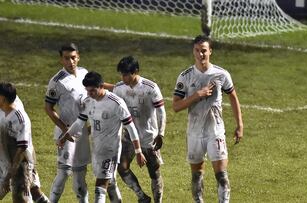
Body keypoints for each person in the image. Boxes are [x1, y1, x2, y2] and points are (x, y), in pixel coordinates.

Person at [172, 35, 244, 203]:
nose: (200, 54)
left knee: (222, 176)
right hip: (194, 134)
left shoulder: (221, 74)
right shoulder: (185, 76)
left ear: (210, 51)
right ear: (193, 52)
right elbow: (176, 106)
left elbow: (233, 97)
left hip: (216, 132)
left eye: (204, 50)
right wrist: (197, 95)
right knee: (197, 177)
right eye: (197, 50)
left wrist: (240, 124)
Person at [59, 71, 147, 203]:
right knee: (110, 183)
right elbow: (79, 122)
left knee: (100, 186)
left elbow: (131, 127)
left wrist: (138, 151)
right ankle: (141, 198)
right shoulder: (88, 101)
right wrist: (65, 136)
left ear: (101, 87)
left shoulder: (116, 103)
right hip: (96, 150)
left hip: (111, 151)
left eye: (93, 90)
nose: (89, 94)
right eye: (87, 91)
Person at [110, 56, 166, 203]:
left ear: (136, 71)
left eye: (126, 74)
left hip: (149, 138)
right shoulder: (119, 88)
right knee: (122, 168)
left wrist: (161, 133)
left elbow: (161, 112)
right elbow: (114, 111)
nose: (124, 77)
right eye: (122, 74)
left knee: (154, 173)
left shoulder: (150, 88)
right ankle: (142, 197)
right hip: (129, 137)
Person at [44, 43, 91, 203]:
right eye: (66, 58)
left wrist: (118, 87)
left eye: (73, 57)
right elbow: (48, 108)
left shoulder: (85, 73)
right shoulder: (57, 81)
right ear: (61, 60)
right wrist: (65, 129)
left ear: (78, 56)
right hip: (66, 131)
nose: (70, 61)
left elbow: (97, 91)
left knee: (80, 176)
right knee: (64, 172)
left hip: (82, 132)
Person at [0, 82, 50, 202]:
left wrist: (10, 174)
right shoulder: (5, 107)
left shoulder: (19, 118)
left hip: (20, 164)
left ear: (3, 98)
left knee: (22, 197)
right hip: (4, 160)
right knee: (34, 191)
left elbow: (22, 147)